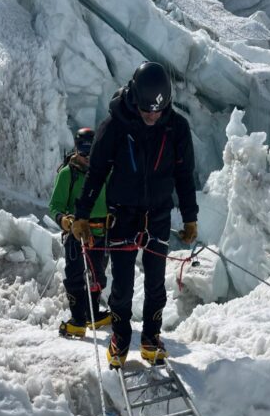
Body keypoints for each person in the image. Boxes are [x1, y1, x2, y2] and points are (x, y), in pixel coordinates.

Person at [72, 62, 198, 368]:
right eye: (146, 110)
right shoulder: (114, 126)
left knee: (156, 283)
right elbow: (97, 173)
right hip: (122, 214)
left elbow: (184, 174)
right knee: (124, 284)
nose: (152, 116)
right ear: (134, 98)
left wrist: (190, 216)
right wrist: (82, 215)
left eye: (158, 110)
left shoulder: (176, 127)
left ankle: (151, 338)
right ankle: (120, 337)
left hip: (158, 214)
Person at [49, 127, 111, 339]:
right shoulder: (68, 174)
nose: (87, 159)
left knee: (98, 274)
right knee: (75, 275)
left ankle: (92, 314)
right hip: (77, 233)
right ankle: (78, 319)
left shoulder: (105, 171)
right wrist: (65, 221)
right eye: (84, 154)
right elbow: (55, 205)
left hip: (102, 231)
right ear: (77, 151)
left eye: (90, 154)